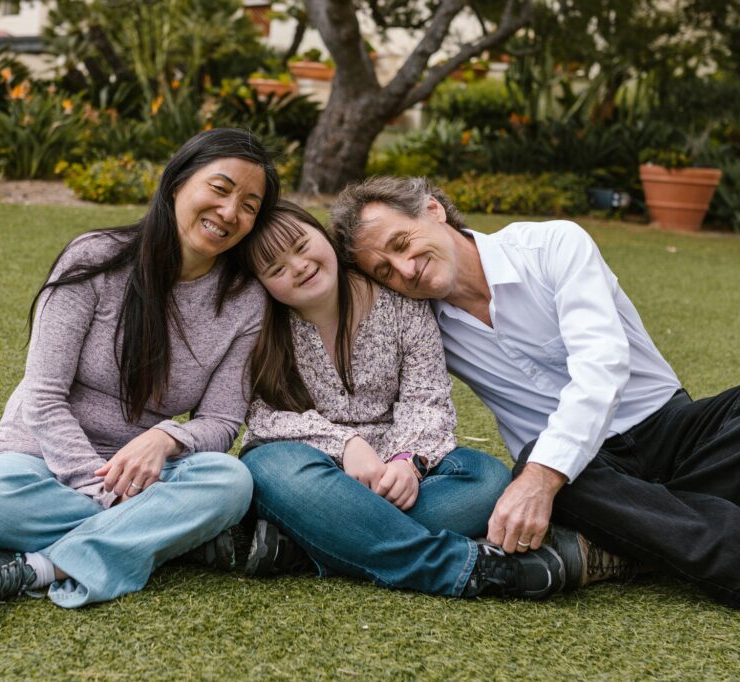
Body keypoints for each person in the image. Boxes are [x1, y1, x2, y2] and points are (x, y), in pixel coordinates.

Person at [328, 175, 740, 644]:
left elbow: (603, 364)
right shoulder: (419, 322)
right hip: (587, 478)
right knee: (541, 463)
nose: (404, 270)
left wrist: (541, 480)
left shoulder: (551, 244)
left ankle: (621, 550)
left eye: (401, 243)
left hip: (667, 427)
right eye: (385, 271)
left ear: (433, 210)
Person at [0, 128, 280, 614]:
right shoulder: (95, 258)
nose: (230, 213)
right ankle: (181, 538)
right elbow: (42, 395)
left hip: (146, 471)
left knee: (230, 481)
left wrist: (165, 439)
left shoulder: (246, 301)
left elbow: (223, 421)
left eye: (249, 206)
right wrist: (101, 492)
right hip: (43, 458)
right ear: (176, 183)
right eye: (220, 189)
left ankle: (36, 569)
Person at [237, 200, 569, 600]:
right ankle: (460, 567)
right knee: (267, 468)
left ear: (321, 235)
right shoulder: (259, 325)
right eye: (276, 269)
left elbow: (426, 398)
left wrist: (406, 461)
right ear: (263, 284)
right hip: (307, 463)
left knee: (487, 480)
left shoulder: (400, 305)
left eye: (302, 246)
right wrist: (346, 444)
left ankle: (305, 544)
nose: (298, 266)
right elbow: (265, 417)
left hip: (396, 471)